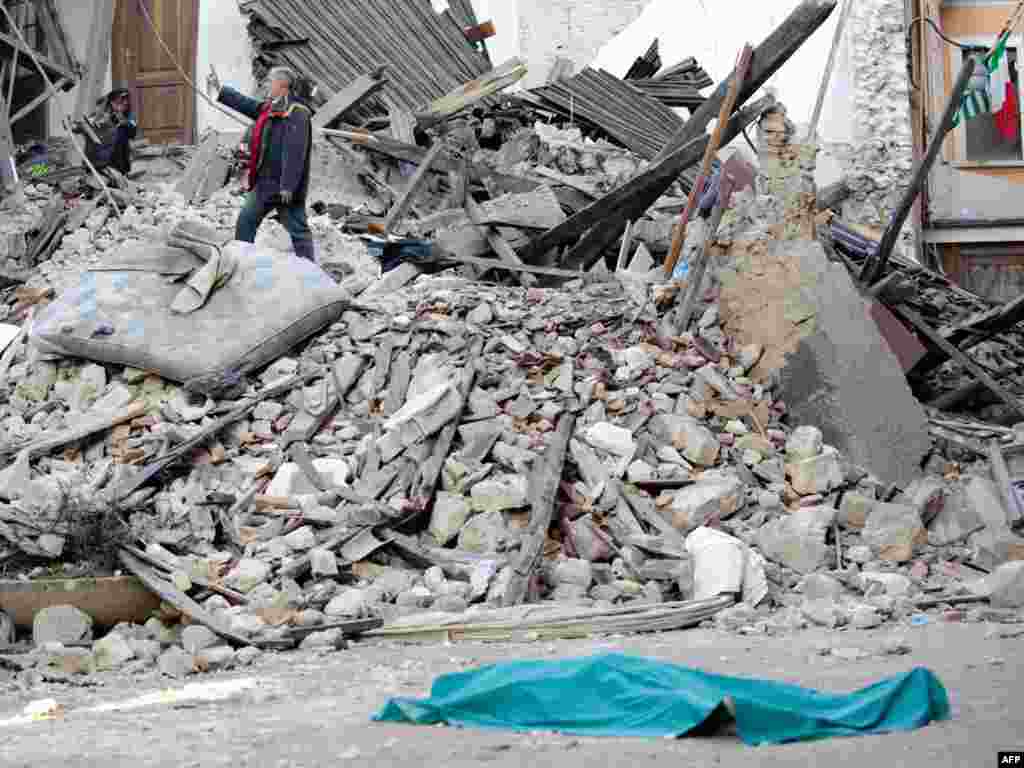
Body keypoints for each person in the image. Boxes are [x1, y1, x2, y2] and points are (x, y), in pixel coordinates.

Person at [207, 66, 315, 262]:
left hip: (285, 187)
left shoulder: (298, 113)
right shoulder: (270, 108)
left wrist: (288, 186)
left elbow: (295, 152)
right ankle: (241, 262)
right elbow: (246, 104)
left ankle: (310, 269)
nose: (267, 85)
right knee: (246, 221)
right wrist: (220, 89)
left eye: (270, 82)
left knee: (298, 230)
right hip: (264, 183)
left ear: (282, 86)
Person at [74, 88, 138, 175]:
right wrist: (78, 126)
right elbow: (82, 127)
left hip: (119, 157)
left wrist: (124, 122)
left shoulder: (129, 116)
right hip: (97, 157)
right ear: (111, 102)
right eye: (118, 103)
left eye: (125, 103)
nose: (122, 105)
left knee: (117, 177)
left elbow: (132, 134)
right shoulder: (100, 115)